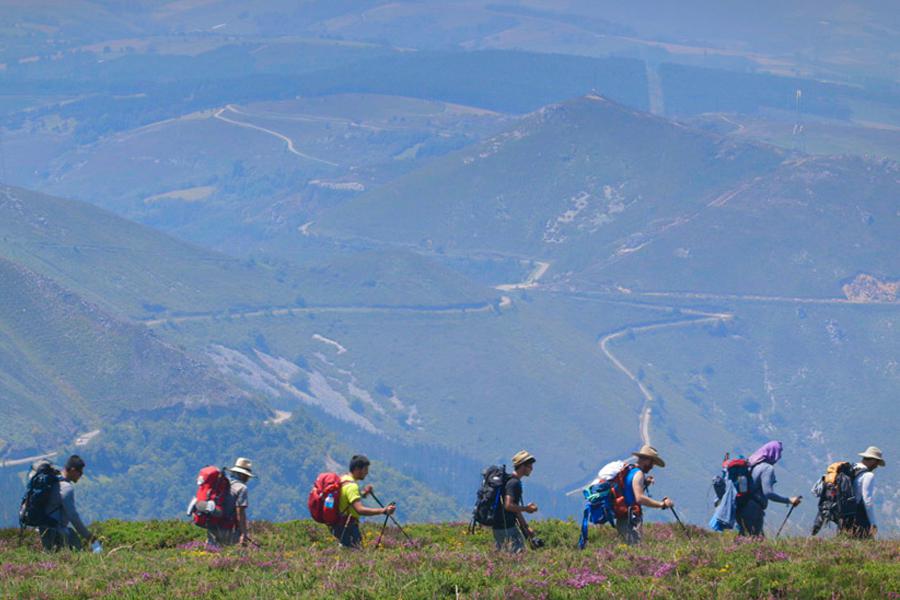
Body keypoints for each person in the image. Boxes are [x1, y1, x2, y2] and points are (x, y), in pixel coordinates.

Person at [736, 441, 801, 537]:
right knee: (755, 540)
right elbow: (768, 493)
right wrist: (789, 500)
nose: (780, 456)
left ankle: (730, 551)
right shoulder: (767, 468)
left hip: (741, 507)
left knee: (746, 538)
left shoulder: (751, 464)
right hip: (753, 510)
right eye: (779, 452)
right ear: (773, 452)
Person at [332, 455, 395, 548]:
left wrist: (363, 493)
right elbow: (359, 510)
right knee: (354, 556)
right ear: (358, 469)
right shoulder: (351, 486)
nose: (367, 473)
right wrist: (383, 511)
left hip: (338, 525)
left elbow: (347, 499)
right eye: (365, 469)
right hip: (348, 527)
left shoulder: (344, 479)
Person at [616, 445, 674, 545]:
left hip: (622, 517)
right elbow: (639, 498)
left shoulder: (630, 470)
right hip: (631, 519)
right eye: (652, 463)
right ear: (647, 460)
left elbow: (629, 491)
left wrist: (645, 483)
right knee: (635, 549)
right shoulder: (639, 474)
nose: (652, 466)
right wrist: (662, 504)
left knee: (628, 550)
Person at [39, 455, 94, 551]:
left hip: (43, 528)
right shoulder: (66, 488)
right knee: (78, 553)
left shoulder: (54, 480)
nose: (81, 475)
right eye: (80, 472)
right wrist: (88, 537)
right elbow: (73, 516)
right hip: (55, 532)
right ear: (72, 470)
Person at [492, 450, 539, 553]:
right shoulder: (514, 483)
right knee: (518, 556)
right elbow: (508, 505)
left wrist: (526, 527)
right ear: (523, 466)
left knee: (505, 557)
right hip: (506, 527)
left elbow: (515, 508)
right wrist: (527, 509)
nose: (531, 468)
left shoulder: (510, 481)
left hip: (500, 526)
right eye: (530, 465)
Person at [207, 457, 255, 547]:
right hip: (227, 527)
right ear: (244, 475)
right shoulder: (241, 488)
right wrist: (244, 533)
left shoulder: (222, 482)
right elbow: (240, 512)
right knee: (228, 552)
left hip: (212, 522)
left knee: (212, 551)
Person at [847, 446, 885, 538]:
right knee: (865, 542)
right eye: (877, 463)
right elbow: (867, 500)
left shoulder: (852, 468)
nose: (876, 466)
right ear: (872, 460)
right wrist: (873, 522)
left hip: (846, 514)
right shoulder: (868, 475)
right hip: (859, 515)